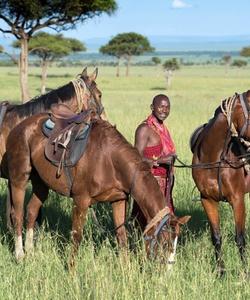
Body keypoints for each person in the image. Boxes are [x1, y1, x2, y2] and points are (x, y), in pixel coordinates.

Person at [134, 94, 176, 213]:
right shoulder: (144, 129)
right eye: (161, 107)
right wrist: (161, 161)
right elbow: (135, 159)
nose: (165, 110)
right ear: (152, 107)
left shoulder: (162, 128)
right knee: (152, 220)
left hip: (164, 182)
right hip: (149, 183)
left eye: (167, 107)